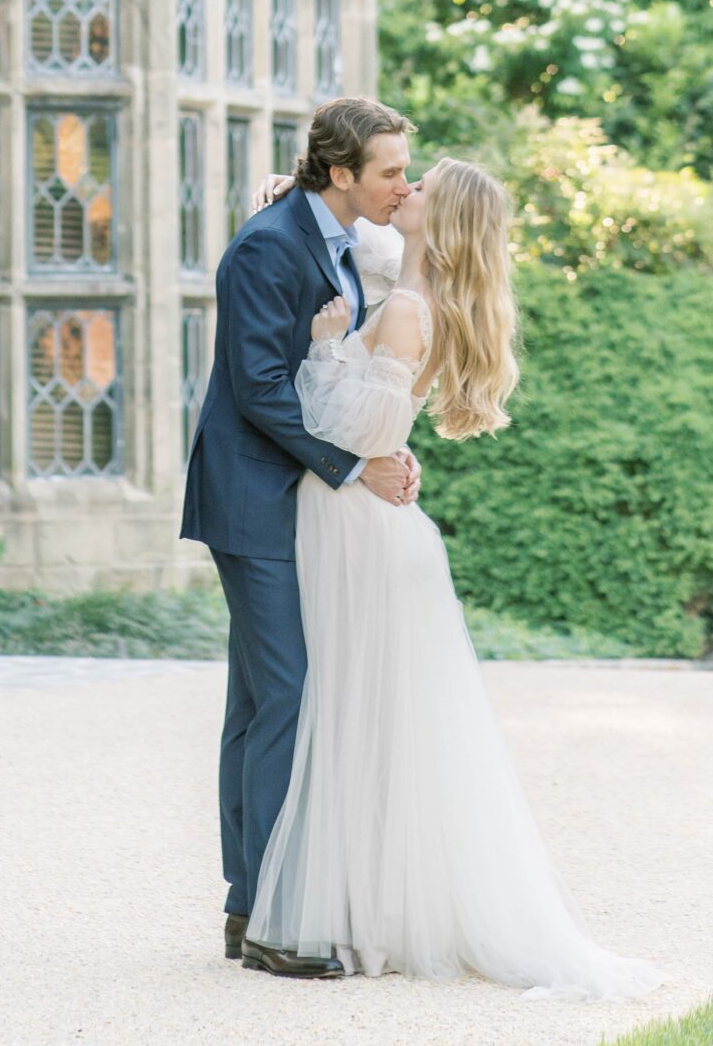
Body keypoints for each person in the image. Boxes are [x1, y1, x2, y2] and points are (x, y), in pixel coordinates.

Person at [247, 156, 663, 1000]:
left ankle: (358, 914)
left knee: (355, 718)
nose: (405, 191)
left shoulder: (405, 309)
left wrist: (324, 347)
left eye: (421, 185)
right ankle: (368, 906)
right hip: (362, 525)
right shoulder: (394, 280)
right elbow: (342, 241)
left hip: (358, 528)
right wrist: (282, 197)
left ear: (443, 217)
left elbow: (355, 425)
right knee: (367, 721)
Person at [181, 96, 421, 979]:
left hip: (296, 492)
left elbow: (344, 363)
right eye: (389, 170)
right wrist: (353, 469)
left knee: (258, 700)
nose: (403, 183)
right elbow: (257, 389)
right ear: (340, 172)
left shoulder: (334, 235)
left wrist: (382, 445)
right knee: (282, 696)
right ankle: (277, 918)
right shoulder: (267, 246)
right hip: (251, 496)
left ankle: (250, 904)